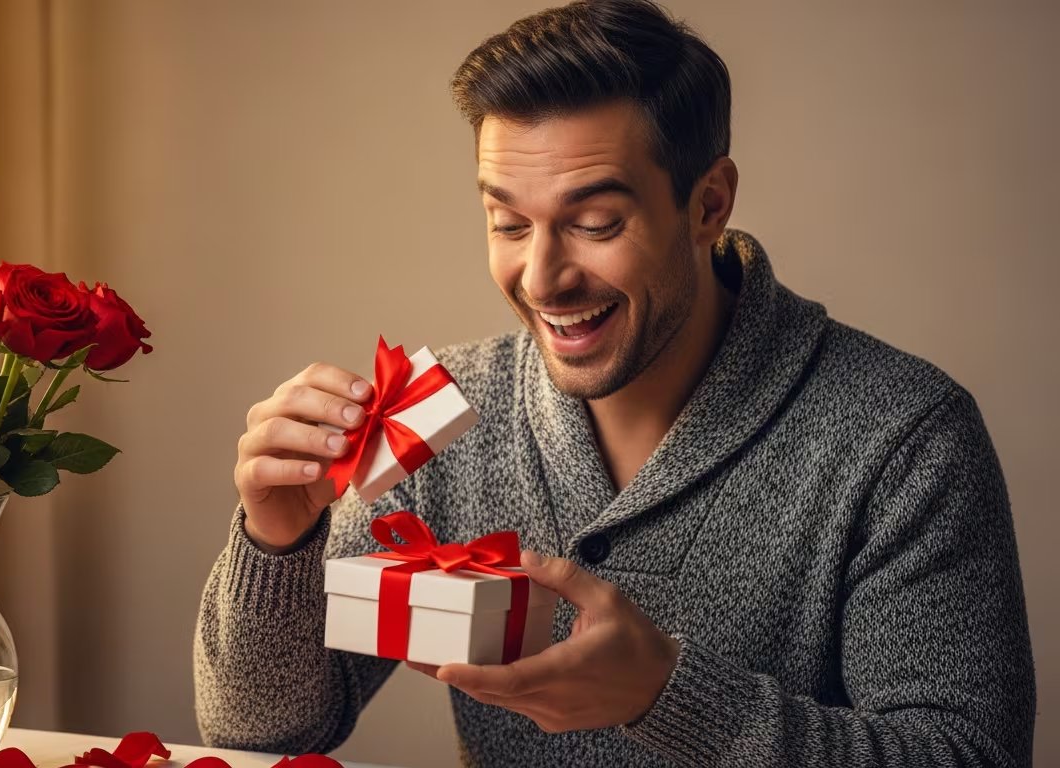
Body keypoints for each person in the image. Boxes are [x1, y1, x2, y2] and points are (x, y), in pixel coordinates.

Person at [192, 0, 1036, 765]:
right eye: (508, 223)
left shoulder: (905, 437)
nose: (542, 276)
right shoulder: (441, 413)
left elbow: (966, 755)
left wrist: (667, 696)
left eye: (595, 224)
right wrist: (276, 542)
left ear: (709, 205)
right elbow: (265, 732)